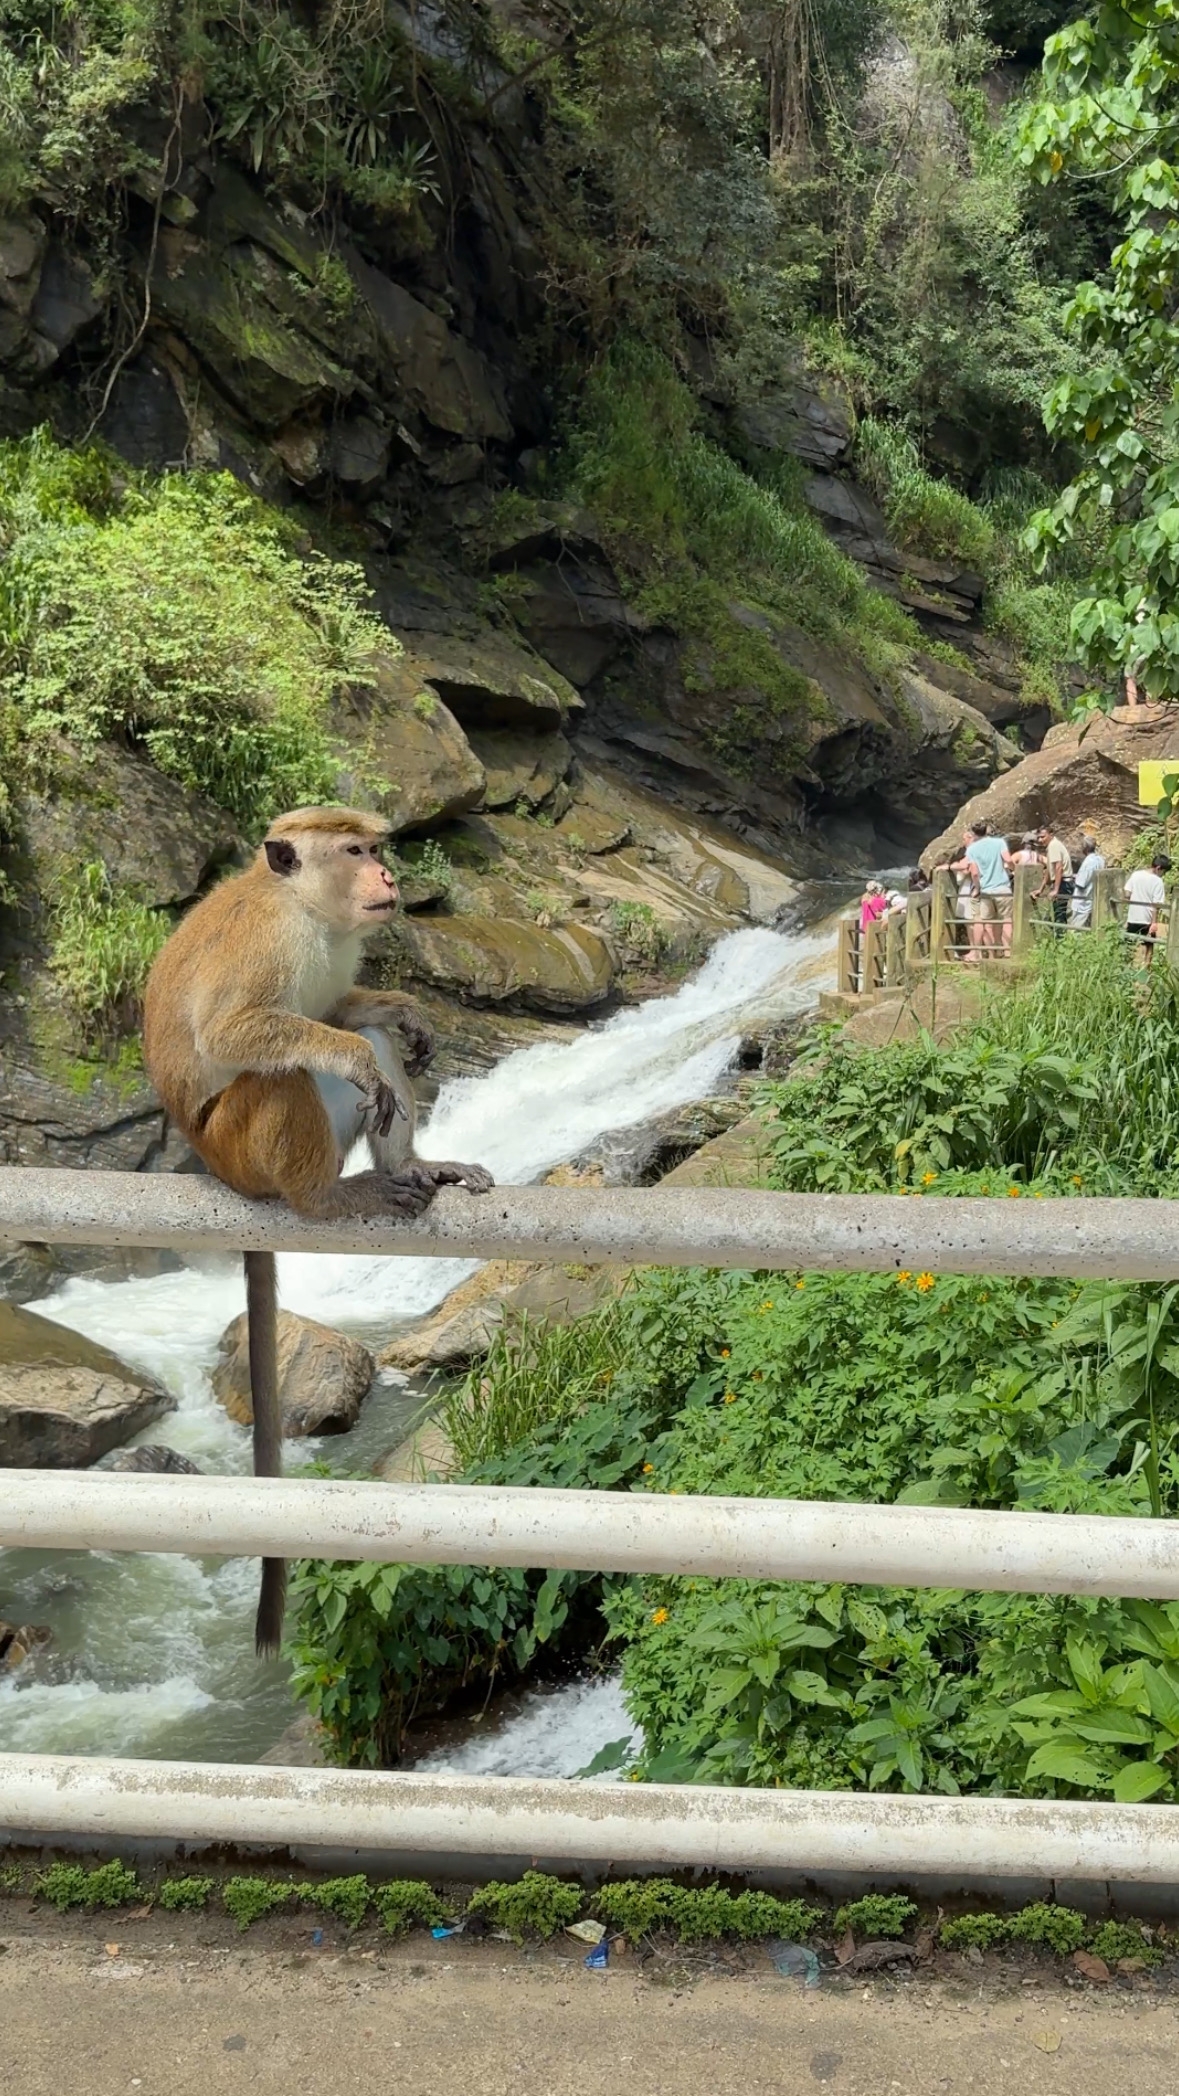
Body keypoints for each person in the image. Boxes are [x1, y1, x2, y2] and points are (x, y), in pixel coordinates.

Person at [963, 818, 1014, 957]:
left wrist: (977, 888)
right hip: (1002, 887)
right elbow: (1008, 860)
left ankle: (986, 953)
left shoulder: (971, 849)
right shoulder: (999, 842)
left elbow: (974, 873)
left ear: (973, 834)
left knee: (985, 922)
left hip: (985, 890)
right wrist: (1013, 870)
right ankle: (1007, 951)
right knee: (1007, 920)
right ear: (986, 831)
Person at [1125, 854, 1171, 964]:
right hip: (1147, 920)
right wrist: (1154, 923)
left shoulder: (1136, 875)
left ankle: (1127, 969)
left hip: (1133, 918)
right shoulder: (1157, 881)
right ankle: (1145, 972)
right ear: (1158, 868)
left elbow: (1127, 893)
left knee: (1129, 947)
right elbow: (1156, 905)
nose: (1162, 875)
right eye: (1163, 872)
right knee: (1149, 948)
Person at [1034, 825, 1073, 927]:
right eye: (1039, 837)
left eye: (1043, 837)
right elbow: (1049, 869)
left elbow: (1058, 867)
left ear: (1051, 834)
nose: (1040, 840)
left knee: (1059, 915)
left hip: (1063, 883)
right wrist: (1041, 888)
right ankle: (1060, 938)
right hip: (1062, 882)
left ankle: (1060, 939)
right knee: (1058, 914)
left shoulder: (1053, 846)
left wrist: (1056, 889)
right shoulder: (1052, 846)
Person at [1070, 834, 1105, 929]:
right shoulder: (1101, 860)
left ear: (1084, 848)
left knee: (1075, 931)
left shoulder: (1088, 862)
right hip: (1093, 899)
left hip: (1082, 902)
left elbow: (1081, 883)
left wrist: (1074, 879)